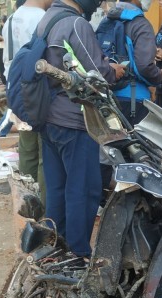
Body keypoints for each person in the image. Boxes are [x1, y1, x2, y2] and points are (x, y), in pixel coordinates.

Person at [38, 0, 125, 257]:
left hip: (50, 118)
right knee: (84, 189)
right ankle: (77, 255)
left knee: (58, 188)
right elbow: (97, 73)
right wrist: (114, 70)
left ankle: (56, 251)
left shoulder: (48, 18)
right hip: (75, 121)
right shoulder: (77, 23)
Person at [2, 0, 52, 203]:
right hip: (37, 94)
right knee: (44, 155)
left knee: (27, 150)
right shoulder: (43, 19)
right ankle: (45, 206)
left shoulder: (11, 19)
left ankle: (27, 202)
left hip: (15, 93)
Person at [105, 0, 162, 126]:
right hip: (134, 100)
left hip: (108, 98)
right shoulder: (140, 24)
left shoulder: (108, 19)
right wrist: (160, 76)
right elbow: (144, 66)